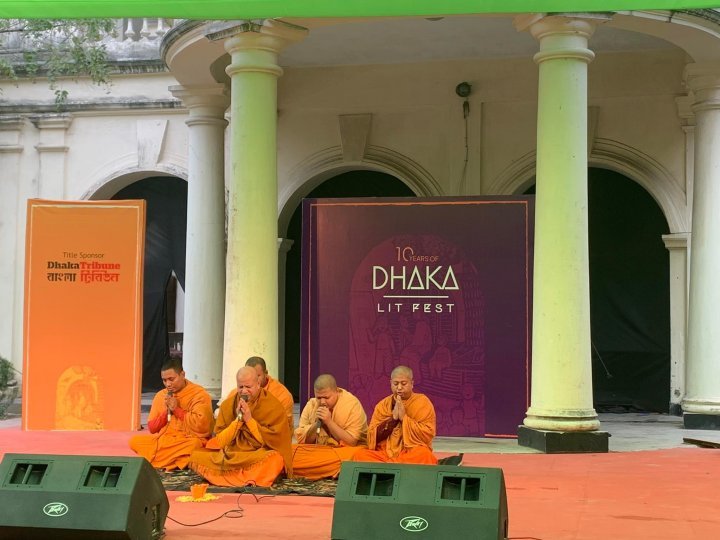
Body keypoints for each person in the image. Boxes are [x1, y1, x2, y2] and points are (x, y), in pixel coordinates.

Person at [188, 366, 293, 487]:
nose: (244, 391)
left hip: (256, 454)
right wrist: (238, 421)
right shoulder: (228, 405)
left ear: (258, 384)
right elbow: (220, 442)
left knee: (275, 460)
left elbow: (273, 442)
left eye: (248, 387)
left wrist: (249, 420)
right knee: (196, 456)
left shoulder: (272, 406)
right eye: (240, 387)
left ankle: (225, 478)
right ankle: (246, 479)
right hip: (233, 454)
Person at [129, 358, 213, 470]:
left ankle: (165, 460)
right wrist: (167, 411)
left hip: (187, 440)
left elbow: (203, 427)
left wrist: (177, 410)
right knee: (134, 441)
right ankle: (179, 461)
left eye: (171, 379)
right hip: (165, 440)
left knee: (195, 445)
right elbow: (152, 428)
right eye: (164, 380)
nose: (168, 384)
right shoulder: (161, 395)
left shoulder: (199, 394)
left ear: (182, 375)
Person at [353, 365, 437, 464]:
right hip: (385, 453)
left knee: (425, 455)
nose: (399, 388)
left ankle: (387, 467)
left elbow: (427, 434)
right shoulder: (383, 405)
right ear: (390, 383)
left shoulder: (422, 402)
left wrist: (404, 418)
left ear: (412, 383)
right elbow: (372, 436)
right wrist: (393, 420)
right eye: (395, 384)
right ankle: (394, 465)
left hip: (409, 452)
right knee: (360, 455)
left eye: (404, 383)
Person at [291, 374, 368, 480]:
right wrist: (317, 424)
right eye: (319, 398)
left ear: (336, 391)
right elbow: (304, 441)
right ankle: (323, 469)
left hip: (344, 452)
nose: (322, 402)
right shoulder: (311, 405)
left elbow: (351, 442)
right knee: (291, 452)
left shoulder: (351, 405)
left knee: (357, 455)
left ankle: (313, 469)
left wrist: (329, 422)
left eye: (326, 397)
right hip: (321, 452)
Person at [246, 356, 295, 431]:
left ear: (266, 373)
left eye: (257, 376)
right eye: (249, 376)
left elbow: (283, 427)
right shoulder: (237, 393)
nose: (253, 380)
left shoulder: (282, 394)